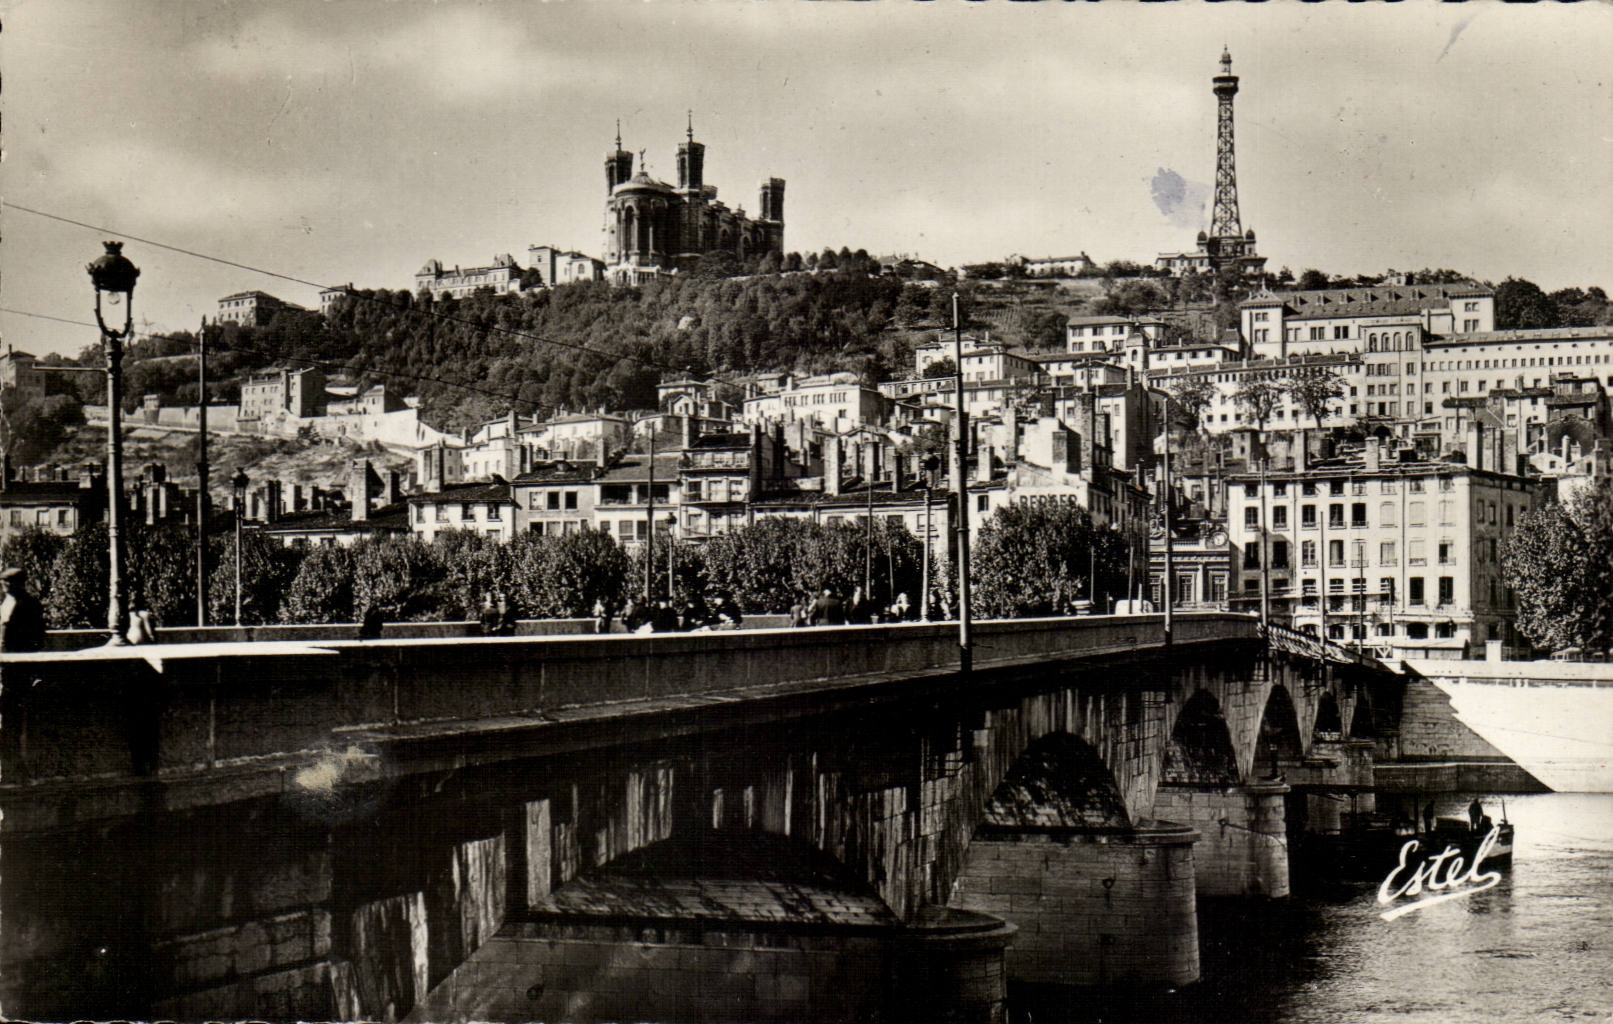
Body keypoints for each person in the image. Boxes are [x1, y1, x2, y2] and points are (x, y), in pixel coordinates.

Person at [0, 566, 47, 653]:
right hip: (19, 651)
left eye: (4, 583)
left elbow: (5, 629)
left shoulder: (19, 602)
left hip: (17, 652)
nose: (3, 586)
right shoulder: (30, 601)